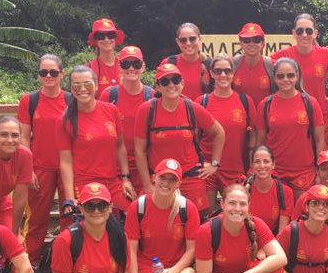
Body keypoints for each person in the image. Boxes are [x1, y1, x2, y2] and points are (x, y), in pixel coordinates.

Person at [134, 62, 224, 216]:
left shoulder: (191, 107)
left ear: (182, 83)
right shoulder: (147, 110)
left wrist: (215, 164)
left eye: (175, 80)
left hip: (190, 179)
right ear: (158, 87)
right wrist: (148, 185)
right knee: (158, 221)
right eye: (165, 81)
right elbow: (139, 151)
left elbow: (219, 132)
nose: (171, 85)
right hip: (160, 180)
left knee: (193, 222)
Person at [125, 158, 201, 273]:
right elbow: (131, 249)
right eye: (162, 178)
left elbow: (192, 249)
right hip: (148, 267)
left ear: (179, 183)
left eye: (172, 179)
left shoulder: (186, 208)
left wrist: (175, 270)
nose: (166, 183)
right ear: (154, 178)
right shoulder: (139, 206)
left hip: (176, 266)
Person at [57, 65, 135, 214]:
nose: (82, 89)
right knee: (90, 222)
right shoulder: (65, 120)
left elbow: (120, 146)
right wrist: (70, 197)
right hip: (84, 183)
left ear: (96, 86)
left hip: (112, 181)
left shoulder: (111, 110)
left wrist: (125, 178)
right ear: (71, 89)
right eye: (76, 86)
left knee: (128, 215)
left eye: (87, 84)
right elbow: (65, 161)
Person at [19, 54, 69, 263]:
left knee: (70, 217)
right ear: (39, 74)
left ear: (62, 74)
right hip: (40, 166)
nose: (48, 76)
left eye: (53, 72)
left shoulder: (71, 100)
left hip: (67, 168)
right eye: (43, 72)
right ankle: (28, 265)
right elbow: (24, 137)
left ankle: (67, 263)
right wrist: (28, 169)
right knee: (36, 220)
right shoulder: (30, 101)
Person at [254, 58, 325, 194]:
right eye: (280, 76)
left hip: (304, 172)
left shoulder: (310, 102)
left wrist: (320, 171)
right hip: (274, 171)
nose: (285, 79)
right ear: (274, 78)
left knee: (302, 208)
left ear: (297, 76)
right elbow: (260, 142)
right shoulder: (265, 105)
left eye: (290, 75)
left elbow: (320, 140)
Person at [99, 45, 153, 195]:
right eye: (126, 64)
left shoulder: (152, 96)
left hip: (145, 166)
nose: (131, 68)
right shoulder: (109, 95)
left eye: (136, 64)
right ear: (119, 67)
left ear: (143, 67)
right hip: (115, 167)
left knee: (144, 207)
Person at [199, 54, 255, 196]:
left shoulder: (245, 101)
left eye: (227, 71)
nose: (223, 75)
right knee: (207, 211)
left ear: (233, 72)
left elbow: (253, 138)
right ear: (211, 73)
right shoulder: (202, 101)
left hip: (235, 169)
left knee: (236, 208)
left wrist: (251, 168)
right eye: (218, 71)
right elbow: (193, 139)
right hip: (208, 170)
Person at [270, 13, 328, 121]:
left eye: (308, 31)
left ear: (315, 33)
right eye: (299, 31)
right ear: (294, 33)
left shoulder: (326, 54)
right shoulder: (282, 56)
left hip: (320, 116)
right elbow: (262, 64)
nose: (304, 35)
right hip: (292, 117)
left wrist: (326, 75)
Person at [247, 145, 294, 233]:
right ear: (251, 165)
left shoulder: (285, 192)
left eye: (266, 161)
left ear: (273, 164)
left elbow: (282, 233)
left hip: (273, 239)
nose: (262, 166)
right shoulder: (242, 191)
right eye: (257, 162)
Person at [160, 22, 209, 101]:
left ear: (200, 39)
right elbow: (159, 94)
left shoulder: (210, 65)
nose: (188, 43)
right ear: (177, 41)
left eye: (192, 39)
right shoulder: (168, 64)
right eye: (183, 40)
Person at [231, 22, 274, 107]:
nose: (251, 44)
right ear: (241, 44)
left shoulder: (272, 66)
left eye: (256, 40)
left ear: (263, 43)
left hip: (264, 114)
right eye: (246, 40)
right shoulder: (232, 64)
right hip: (239, 114)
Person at [86, 18, 124, 95]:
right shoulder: (89, 69)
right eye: (101, 36)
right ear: (96, 41)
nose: (106, 39)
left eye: (111, 35)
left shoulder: (126, 65)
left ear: (115, 39)